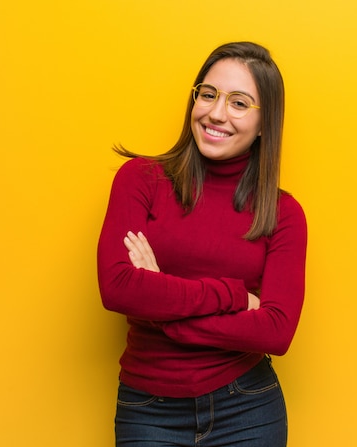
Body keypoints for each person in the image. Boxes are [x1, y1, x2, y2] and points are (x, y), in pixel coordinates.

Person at [97, 41, 307, 447]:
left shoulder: (283, 213)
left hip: (247, 409)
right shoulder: (140, 180)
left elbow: (276, 332)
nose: (215, 113)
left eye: (239, 103)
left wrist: (159, 300)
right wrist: (232, 294)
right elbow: (118, 287)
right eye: (207, 94)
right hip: (149, 409)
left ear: (266, 124)